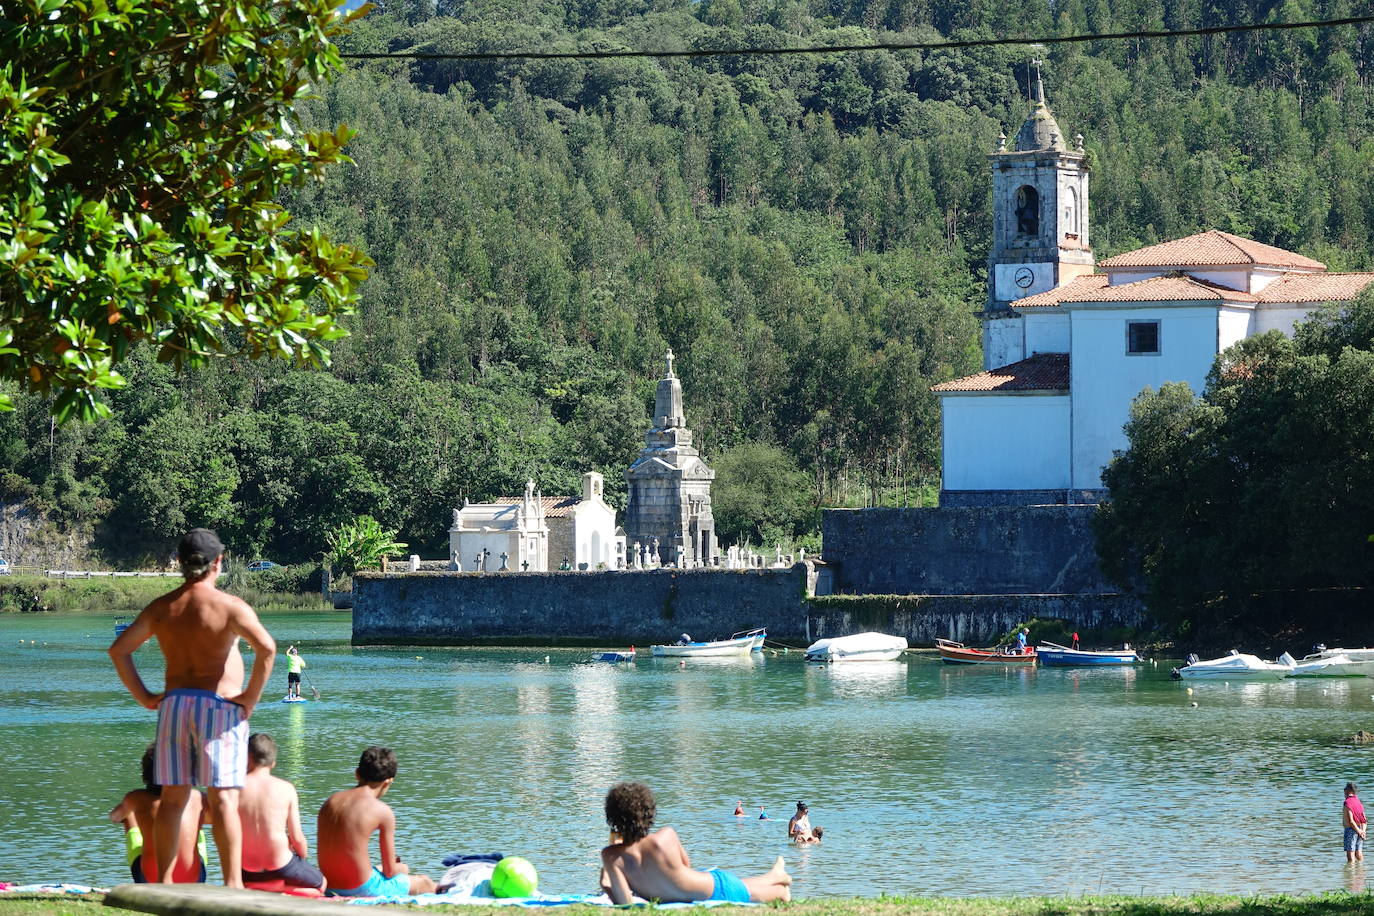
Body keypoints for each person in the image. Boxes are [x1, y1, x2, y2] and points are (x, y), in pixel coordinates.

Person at [108, 528, 276, 887]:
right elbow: (267, 649)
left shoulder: (164, 607)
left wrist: (143, 695)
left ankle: (165, 883)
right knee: (225, 800)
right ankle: (233, 885)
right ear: (218, 562)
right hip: (219, 708)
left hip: (176, 706)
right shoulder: (229, 606)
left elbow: (119, 650)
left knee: (172, 799)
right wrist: (250, 697)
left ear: (180, 563)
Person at [599, 781, 790, 904]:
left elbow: (624, 903)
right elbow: (686, 869)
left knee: (779, 893)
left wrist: (606, 883)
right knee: (741, 886)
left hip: (719, 889)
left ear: (613, 818)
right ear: (649, 813)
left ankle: (778, 881)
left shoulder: (611, 855)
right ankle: (775, 874)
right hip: (712, 884)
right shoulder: (666, 836)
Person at [317, 746, 435, 897]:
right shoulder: (382, 811)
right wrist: (403, 867)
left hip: (328, 883)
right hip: (360, 888)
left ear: (357, 773)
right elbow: (390, 871)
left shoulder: (331, 801)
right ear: (388, 782)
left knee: (382, 869)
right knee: (423, 881)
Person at [108, 744, 209, 883]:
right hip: (194, 879)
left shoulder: (136, 798)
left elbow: (114, 817)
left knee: (128, 817)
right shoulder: (198, 797)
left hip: (150, 879)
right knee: (198, 827)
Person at [239, 733, 326, 892]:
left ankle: (267, 887)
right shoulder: (286, 789)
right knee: (322, 884)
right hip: (281, 866)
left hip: (246, 871)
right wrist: (302, 859)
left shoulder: (234, 789)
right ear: (273, 763)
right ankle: (283, 889)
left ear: (247, 757)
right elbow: (297, 838)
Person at [1345, 782, 1367, 863]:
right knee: (1358, 852)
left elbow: (1351, 821)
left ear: (1349, 791)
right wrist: (1362, 831)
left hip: (1351, 829)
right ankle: (1361, 871)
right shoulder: (1359, 802)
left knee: (1350, 853)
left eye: (1345, 788)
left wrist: (1359, 831)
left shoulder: (1347, 802)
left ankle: (1351, 874)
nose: (1344, 790)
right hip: (1361, 828)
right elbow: (1364, 819)